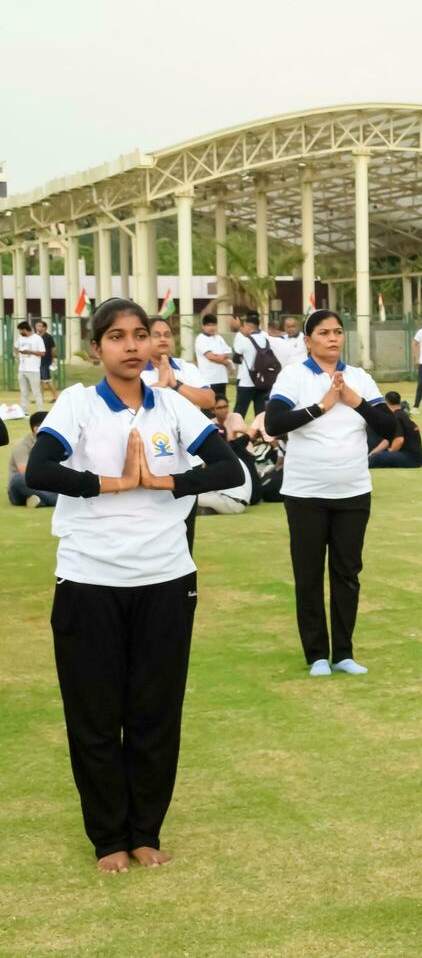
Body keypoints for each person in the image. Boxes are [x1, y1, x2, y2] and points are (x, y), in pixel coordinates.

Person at [24, 297, 241, 873]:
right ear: (96, 349)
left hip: (166, 577)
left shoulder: (171, 406)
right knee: (95, 716)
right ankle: (107, 839)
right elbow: (39, 471)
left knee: (154, 714)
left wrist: (164, 479)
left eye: (139, 335)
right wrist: (114, 483)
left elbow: (229, 469)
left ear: (152, 343)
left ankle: (145, 831)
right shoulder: (75, 404)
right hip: (89, 579)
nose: (131, 346)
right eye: (116, 337)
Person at [264, 309, 396, 678]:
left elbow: (388, 425)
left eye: (338, 331)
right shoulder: (293, 376)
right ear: (308, 341)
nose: (333, 338)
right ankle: (317, 654)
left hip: (353, 491)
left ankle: (343, 652)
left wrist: (354, 400)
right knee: (308, 574)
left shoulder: (358, 378)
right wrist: (321, 406)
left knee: (347, 573)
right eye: (323, 332)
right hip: (306, 492)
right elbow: (274, 423)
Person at [142, 317, 216, 409]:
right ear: (144, 339)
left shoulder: (186, 367)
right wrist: (161, 384)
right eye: (156, 335)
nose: (163, 339)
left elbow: (210, 400)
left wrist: (175, 384)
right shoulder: (136, 370)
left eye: (167, 335)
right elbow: (132, 405)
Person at [8, 410, 57, 507]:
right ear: (37, 429)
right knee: (18, 479)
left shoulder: (53, 444)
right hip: (22, 488)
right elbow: (25, 471)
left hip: (45, 485)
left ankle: (39, 501)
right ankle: (57, 500)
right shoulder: (22, 446)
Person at [367, 391, 422, 469]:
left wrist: (389, 452)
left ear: (386, 402)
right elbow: (387, 441)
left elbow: (399, 440)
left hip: (410, 458)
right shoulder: (404, 415)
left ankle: (360, 465)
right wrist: (371, 454)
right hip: (417, 458)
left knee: (379, 457)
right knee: (377, 455)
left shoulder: (395, 417)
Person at [230, 313, 271, 416]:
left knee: (239, 411)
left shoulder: (245, 340)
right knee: (261, 412)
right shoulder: (266, 338)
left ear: (248, 326)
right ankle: (259, 432)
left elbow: (236, 358)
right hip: (262, 381)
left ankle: (237, 432)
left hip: (246, 381)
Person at [193, 314, 232, 402]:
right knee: (209, 406)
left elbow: (228, 353)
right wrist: (225, 361)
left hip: (221, 378)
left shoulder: (219, 338)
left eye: (213, 325)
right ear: (203, 326)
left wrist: (218, 356)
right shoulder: (201, 339)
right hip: (209, 379)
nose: (211, 327)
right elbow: (210, 357)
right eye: (209, 325)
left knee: (221, 405)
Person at [15, 319, 46, 413]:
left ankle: (40, 411)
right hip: (22, 368)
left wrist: (30, 352)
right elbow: (16, 347)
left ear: (25, 329)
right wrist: (17, 354)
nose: (20, 332)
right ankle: (24, 411)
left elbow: (42, 353)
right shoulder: (20, 338)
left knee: (36, 391)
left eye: (21, 330)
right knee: (23, 391)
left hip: (33, 369)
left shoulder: (37, 338)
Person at [36, 318, 59, 402]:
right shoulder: (36, 337)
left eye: (39, 326)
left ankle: (56, 397)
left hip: (46, 361)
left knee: (48, 380)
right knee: (41, 381)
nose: (37, 327)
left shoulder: (48, 337)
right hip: (37, 361)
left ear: (44, 328)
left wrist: (53, 359)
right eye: (37, 326)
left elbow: (53, 349)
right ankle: (40, 398)